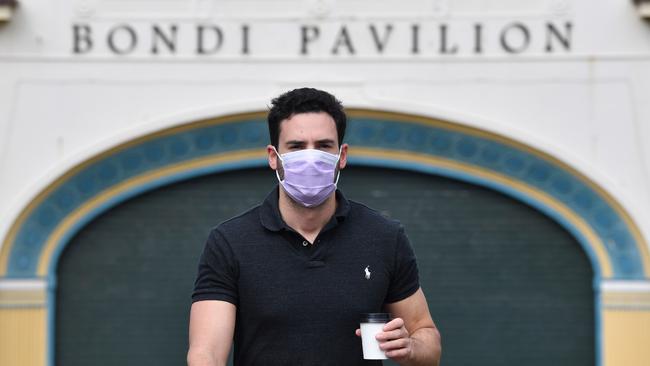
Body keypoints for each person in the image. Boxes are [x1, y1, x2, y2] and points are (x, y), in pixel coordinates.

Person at [187, 88, 442, 366]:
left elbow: (426, 337)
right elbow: (206, 354)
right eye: (296, 146)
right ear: (274, 157)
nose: (311, 158)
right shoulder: (230, 242)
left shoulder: (383, 237)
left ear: (341, 155)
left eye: (323, 145)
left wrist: (411, 347)